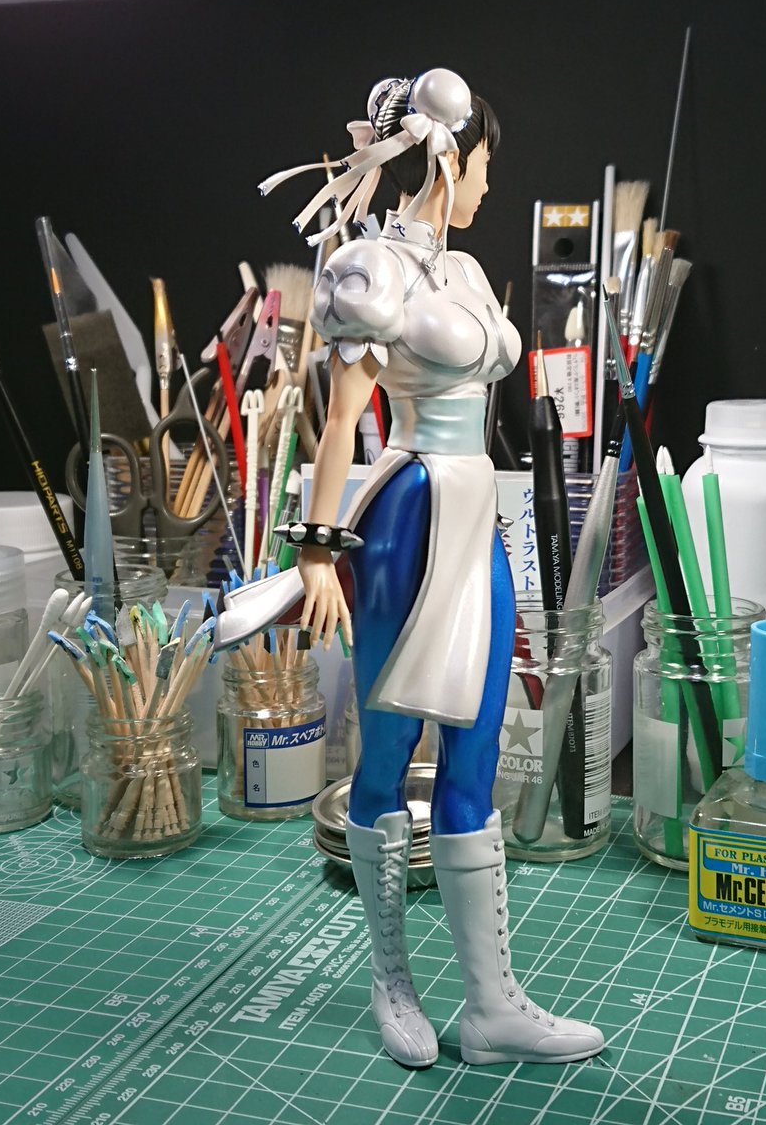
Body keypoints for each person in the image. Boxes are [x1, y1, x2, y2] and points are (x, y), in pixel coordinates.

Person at [217, 69, 604, 1068]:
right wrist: (314, 550)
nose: (488, 185)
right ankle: (392, 981)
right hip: (406, 519)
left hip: (478, 515)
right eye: (483, 165)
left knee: (475, 751)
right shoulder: (367, 270)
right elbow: (342, 420)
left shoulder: (464, 271)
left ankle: (492, 1006)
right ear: (448, 156)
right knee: (386, 753)